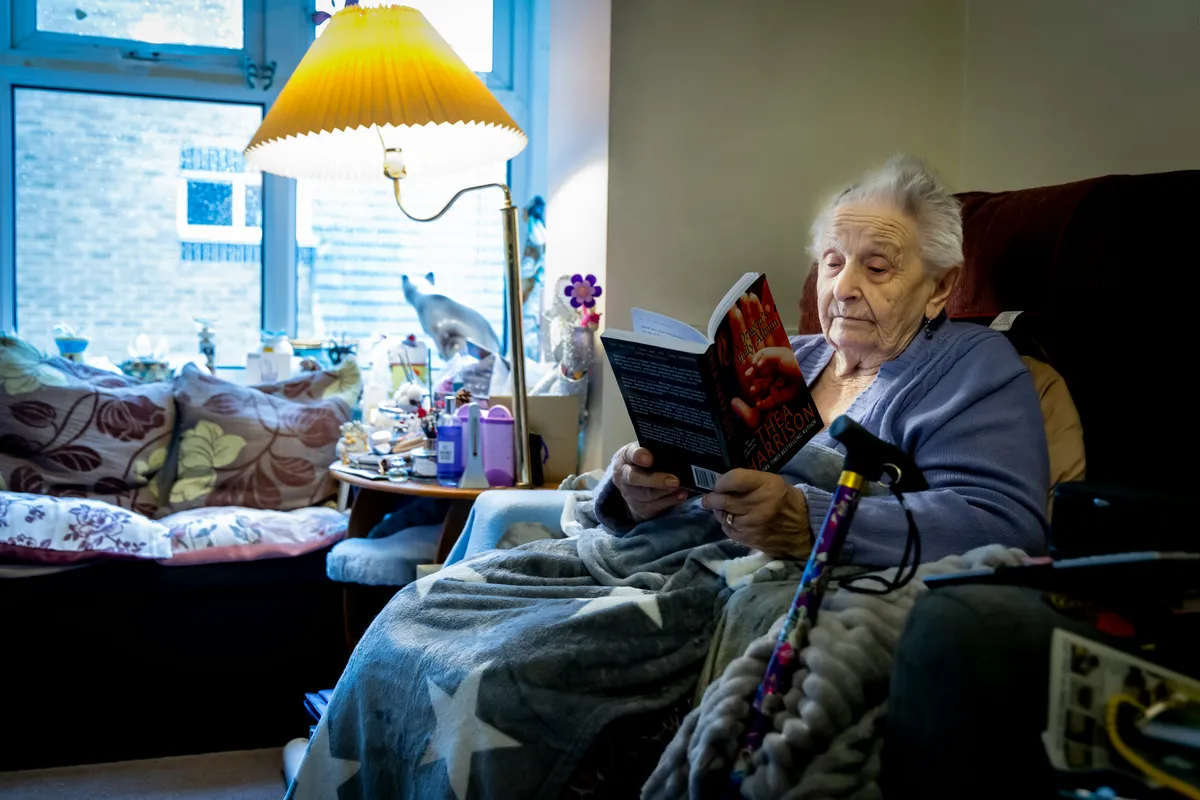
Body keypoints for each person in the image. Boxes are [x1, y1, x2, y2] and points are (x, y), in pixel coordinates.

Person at [596, 154, 1049, 564]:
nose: (843, 288)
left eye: (876, 268)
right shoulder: (790, 356)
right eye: (833, 263)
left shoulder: (971, 367)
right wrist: (637, 492)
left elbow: (1003, 525)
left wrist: (810, 522)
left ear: (939, 288)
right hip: (667, 552)